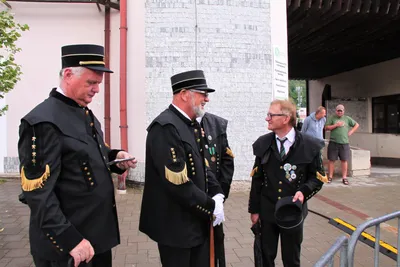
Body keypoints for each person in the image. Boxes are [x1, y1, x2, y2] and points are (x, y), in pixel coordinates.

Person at [17, 44, 137, 267]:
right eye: (91, 82)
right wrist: (69, 240)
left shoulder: (82, 111)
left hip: (95, 237)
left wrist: (115, 157)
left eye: (99, 84)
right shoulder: (42, 122)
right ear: (68, 74)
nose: (97, 90)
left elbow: (87, 154)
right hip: (69, 247)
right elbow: (38, 194)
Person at [139, 70, 225, 267]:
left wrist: (217, 193)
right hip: (176, 228)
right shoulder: (165, 127)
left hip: (196, 221)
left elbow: (202, 164)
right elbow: (177, 183)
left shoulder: (190, 124)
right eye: (202, 93)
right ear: (184, 94)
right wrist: (211, 207)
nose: (207, 99)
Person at [248, 99, 327, 267]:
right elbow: (257, 180)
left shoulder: (310, 145)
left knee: (291, 259)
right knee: (265, 257)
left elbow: (317, 178)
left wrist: (304, 192)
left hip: (292, 212)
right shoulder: (263, 143)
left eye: (271, 115)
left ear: (285, 118)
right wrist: (254, 210)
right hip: (267, 211)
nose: (267, 118)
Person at [197, 112, 235, 267]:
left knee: (216, 244)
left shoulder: (216, 123)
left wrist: (220, 195)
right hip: (192, 200)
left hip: (214, 201)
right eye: (202, 94)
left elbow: (227, 161)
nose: (206, 99)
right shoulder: (176, 125)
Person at [325, 104, 359, 185]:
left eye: (341, 111)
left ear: (343, 111)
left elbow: (356, 125)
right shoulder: (332, 118)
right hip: (333, 142)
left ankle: (344, 177)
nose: (340, 112)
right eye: (338, 111)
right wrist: (336, 125)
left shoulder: (347, 119)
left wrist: (351, 131)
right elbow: (326, 128)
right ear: (336, 111)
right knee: (331, 160)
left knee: (344, 160)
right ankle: (330, 176)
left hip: (344, 143)